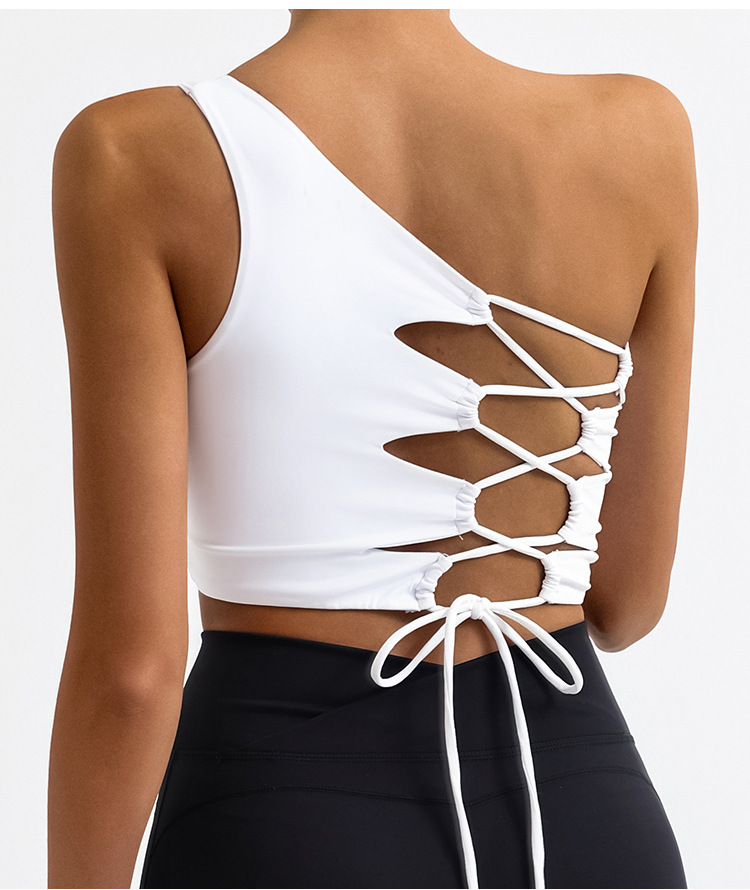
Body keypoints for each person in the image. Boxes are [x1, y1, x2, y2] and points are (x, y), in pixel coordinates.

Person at [47, 9, 696, 890]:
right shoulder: (643, 135)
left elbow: (132, 674)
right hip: (580, 814)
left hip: (280, 820)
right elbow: (625, 603)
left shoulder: (136, 153)